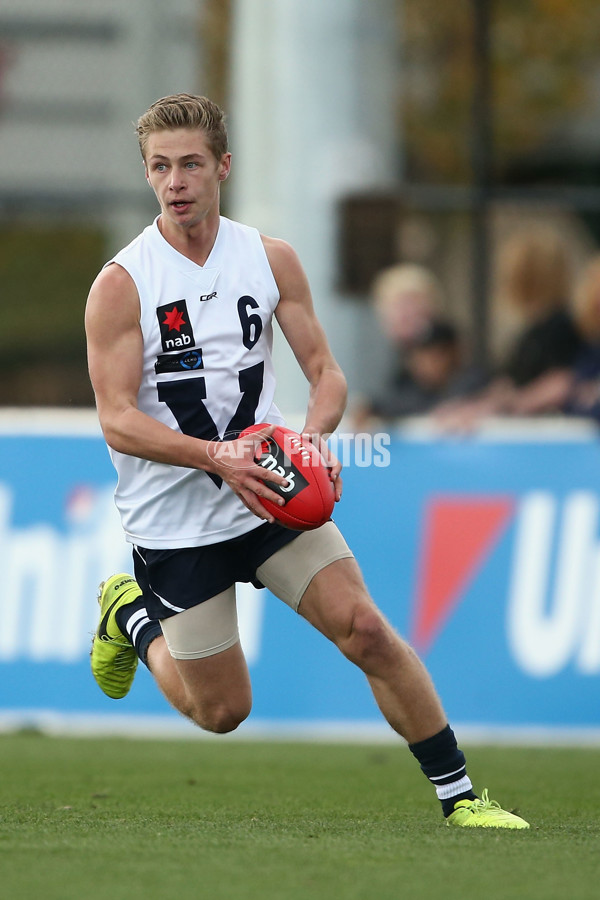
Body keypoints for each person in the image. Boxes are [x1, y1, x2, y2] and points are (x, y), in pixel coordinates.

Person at [85, 92, 528, 829]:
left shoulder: (268, 258)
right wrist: (216, 457)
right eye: (160, 168)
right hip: (176, 521)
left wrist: (313, 439)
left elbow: (328, 373)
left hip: (269, 492)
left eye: (191, 164)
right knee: (221, 711)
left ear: (222, 165)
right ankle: (129, 615)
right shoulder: (122, 285)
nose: (176, 183)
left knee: (367, 630)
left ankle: (461, 798)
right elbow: (118, 420)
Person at [435, 227, 583, 431]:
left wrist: (514, 405)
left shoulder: (562, 326)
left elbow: (562, 381)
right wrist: (474, 407)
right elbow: (508, 384)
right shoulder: (532, 331)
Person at [362, 316, 489, 421]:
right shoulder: (407, 387)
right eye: (420, 357)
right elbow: (388, 404)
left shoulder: (476, 383)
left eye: (437, 355)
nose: (427, 364)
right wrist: (367, 409)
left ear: (454, 353)